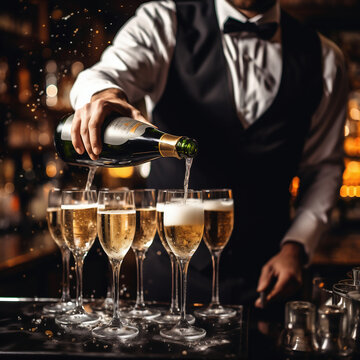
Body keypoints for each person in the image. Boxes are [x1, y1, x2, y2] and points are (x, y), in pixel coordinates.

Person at [68, 0, 348, 307]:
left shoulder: (325, 58)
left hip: (269, 274)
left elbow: (324, 169)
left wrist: (297, 246)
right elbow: (107, 72)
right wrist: (105, 95)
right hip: (168, 276)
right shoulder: (165, 20)